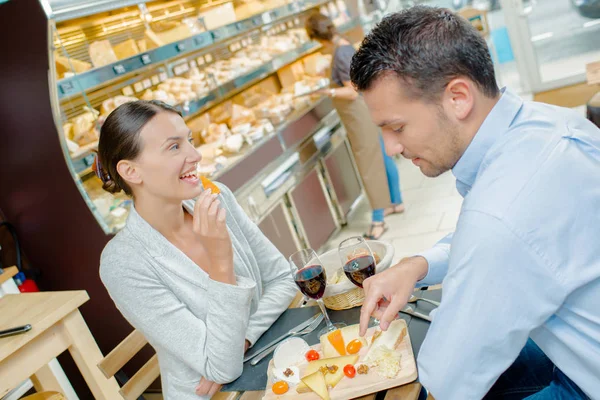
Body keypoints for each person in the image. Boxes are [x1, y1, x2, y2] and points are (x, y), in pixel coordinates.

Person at [350, 6, 599, 400]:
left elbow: (450, 380)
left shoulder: (501, 215)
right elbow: (519, 242)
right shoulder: (549, 124)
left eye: (397, 127)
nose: (392, 147)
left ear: (458, 97)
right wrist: (419, 265)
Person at [96, 100, 298, 400]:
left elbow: (284, 278)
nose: (196, 155)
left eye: (189, 141)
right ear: (131, 171)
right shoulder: (123, 263)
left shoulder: (216, 197)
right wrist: (220, 258)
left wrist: (243, 338)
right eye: (174, 147)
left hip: (270, 363)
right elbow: (220, 369)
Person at [305, 13, 405, 240]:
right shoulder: (343, 45)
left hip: (358, 116)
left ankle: (378, 221)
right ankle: (395, 201)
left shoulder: (340, 52)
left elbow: (351, 91)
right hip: (364, 112)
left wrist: (326, 91)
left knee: (368, 163)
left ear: (318, 37)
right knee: (381, 156)